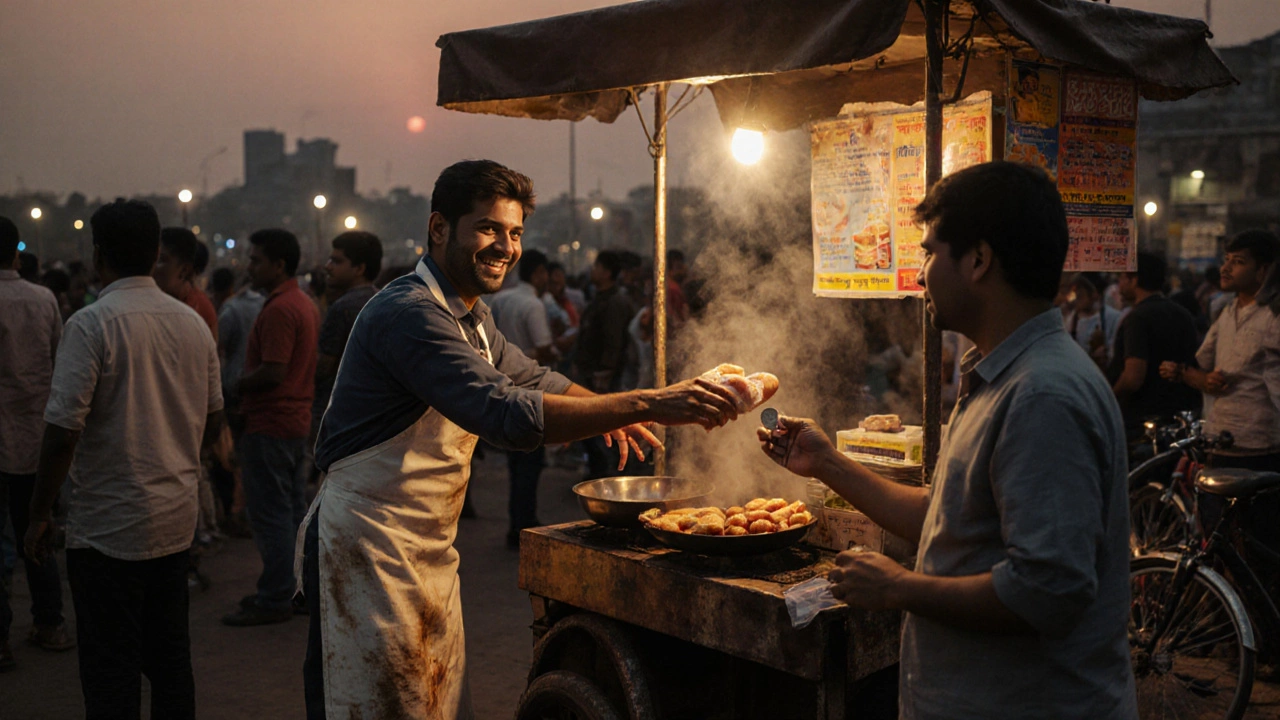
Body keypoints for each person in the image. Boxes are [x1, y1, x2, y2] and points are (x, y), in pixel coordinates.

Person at [300, 159, 742, 720]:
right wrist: (651, 402)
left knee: (431, 703)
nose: (504, 247)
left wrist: (610, 414)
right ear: (439, 228)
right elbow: (505, 412)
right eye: (487, 229)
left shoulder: (473, 318)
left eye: (514, 233)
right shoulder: (407, 313)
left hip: (424, 551)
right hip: (365, 548)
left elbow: (535, 379)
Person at [759, 162, 1136, 718]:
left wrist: (901, 588)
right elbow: (943, 516)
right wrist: (827, 464)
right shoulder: (998, 376)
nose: (920, 275)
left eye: (931, 253)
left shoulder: (1043, 396)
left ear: (979, 260)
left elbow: (1048, 591)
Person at [24, 199, 222, 719]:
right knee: (170, 661)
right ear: (156, 252)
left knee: (111, 673)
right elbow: (215, 419)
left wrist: (40, 513)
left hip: (108, 529)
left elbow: (62, 433)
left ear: (96, 256)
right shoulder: (192, 324)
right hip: (174, 522)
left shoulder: (91, 325)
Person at [222, 229, 318, 626]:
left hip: (271, 423)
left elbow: (274, 371)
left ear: (279, 265)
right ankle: (294, 590)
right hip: (293, 424)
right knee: (292, 514)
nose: (249, 267)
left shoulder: (280, 309)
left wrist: (237, 384)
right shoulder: (302, 303)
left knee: (272, 516)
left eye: (257, 260)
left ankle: (276, 595)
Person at [0, 216, 73, 671]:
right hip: (34, 440)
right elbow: (59, 364)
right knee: (37, 530)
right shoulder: (43, 299)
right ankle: (50, 623)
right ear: (16, 253)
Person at [1162, 230, 1280, 471]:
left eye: (1238, 262)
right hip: (1218, 438)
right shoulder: (1226, 310)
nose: (1225, 268)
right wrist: (1193, 376)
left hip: (1258, 446)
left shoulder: (1274, 315)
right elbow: (1202, 367)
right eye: (1227, 259)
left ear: (1264, 271)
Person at [488, 248, 558, 546]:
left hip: (502, 387)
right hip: (530, 390)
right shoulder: (533, 304)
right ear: (538, 273)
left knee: (516, 464)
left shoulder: (500, 299)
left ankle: (516, 522)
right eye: (545, 274)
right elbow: (543, 347)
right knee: (530, 463)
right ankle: (523, 524)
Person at [1108, 252, 1202, 443]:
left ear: (1134, 280)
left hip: (1143, 425)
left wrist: (1108, 395)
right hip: (1179, 421)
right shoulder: (1183, 314)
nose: (1119, 284)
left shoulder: (1137, 318)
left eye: (1122, 277)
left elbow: (1133, 377)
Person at [576, 250, 638, 477]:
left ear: (608, 272)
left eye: (597, 267)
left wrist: (605, 374)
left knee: (606, 433)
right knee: (592, 432)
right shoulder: (599, 298)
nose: (593, 271)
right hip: (591, 376)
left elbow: (614, 342)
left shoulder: (615, 302)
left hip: (605, 379)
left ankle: (608, 478)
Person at [313, 231, 382, 432]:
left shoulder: (342, 308)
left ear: (359, 268)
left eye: (336, 261)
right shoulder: (383, 300)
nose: (328, 267)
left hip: (338, 414)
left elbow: (324, 367)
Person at [153, 227, 218, 337]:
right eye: (153, 259)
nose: (153, 267)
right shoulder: (156, 301)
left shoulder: (198, 310)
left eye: (161, 260)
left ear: (184, 270)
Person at [1063, 273, 1121, 369]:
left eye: (1081, 290)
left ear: (1095, 294)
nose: (1077, 295)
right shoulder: (1071, 320)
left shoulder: (1113, 317)